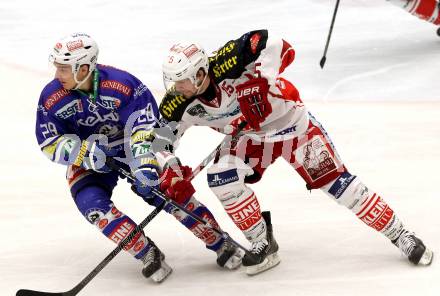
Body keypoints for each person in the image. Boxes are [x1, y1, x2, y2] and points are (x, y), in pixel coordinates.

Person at [157, 30, 434, 275]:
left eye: (181, 81)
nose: (176, 88)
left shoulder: (229, 59)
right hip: (250, 137)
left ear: (200, 73)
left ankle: (401, 235)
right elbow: (158, 141)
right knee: (221, 176)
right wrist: (171, 167)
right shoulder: (178, 103)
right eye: (173, 81)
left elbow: (276, 44)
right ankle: (262, 241)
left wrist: (262, 82)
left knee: (337, 184)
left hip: (291, 127)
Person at [35, 33, 243, 283]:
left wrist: (144, 167)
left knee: (167, 190)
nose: (58, 74)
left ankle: (219, 240)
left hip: (132, 149)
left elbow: (147, 130)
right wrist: (84, 153)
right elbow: (49, 141)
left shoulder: (123, 84)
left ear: (85, 67)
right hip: (92, 157)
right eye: (57, 67)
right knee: (90, 203)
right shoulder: (51, 96)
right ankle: (146, 252)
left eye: (64, 68)